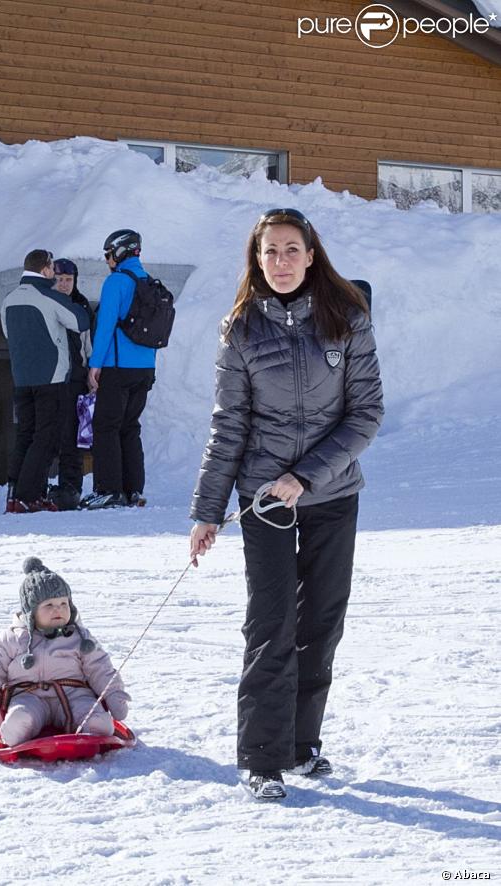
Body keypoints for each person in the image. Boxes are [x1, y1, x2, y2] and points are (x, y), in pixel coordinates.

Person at [189, 208, 384, 801]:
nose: (279, 262)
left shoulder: (347, 319)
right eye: (268, 252)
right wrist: (206, 510)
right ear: (256, 258)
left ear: (311, 254)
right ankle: (263, 758)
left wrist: (306, 475)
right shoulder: (241, 329)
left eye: (290, 250)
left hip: (332, 493)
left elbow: (366, 414)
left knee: (321, 623)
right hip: (264, 499)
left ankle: (302, 746)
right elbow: (229, 427)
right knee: (272, 623)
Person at [0, 557, 130, 745]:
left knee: (88, 709)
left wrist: (114, 695)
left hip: (73, 693)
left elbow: (101, 669)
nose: (58, 609)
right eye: (49, 605)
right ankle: (19, 728)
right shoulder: (12, 639)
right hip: (28, 695)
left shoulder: (81, 638)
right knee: (23, 713)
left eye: (63, 604)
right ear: (30, 612)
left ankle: (94, 726)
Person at [1, 249, 91, 513]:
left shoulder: (9, 300)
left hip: (21, 379)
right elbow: (80, 321)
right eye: (52, 267)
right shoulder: (48, 296)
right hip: (51, 378)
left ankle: (14, 493)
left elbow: (9, 334)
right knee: (46, 438)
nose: (55, 272)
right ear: (44, 269)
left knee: (25, 435)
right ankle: (28, 496)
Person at [82, 229, 155, 510]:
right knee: (130, 427)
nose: (107, 260)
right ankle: (133, 490)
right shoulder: (148, 283)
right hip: (145, 368)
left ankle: (109, 490)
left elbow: (105, 327)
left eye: (108, 254)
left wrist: (95, 365)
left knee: (106, 426)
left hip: (116, 365)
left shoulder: (117, 282)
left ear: (120, 252)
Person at [47, 258, 95, 511]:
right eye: (60, 279)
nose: (64, 284)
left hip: (75, 377)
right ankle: (37, 489)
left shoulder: (81, 305)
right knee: (43, 435)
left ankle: (71, 489)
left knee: (72, 437)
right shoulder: (44, 303)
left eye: (69, 280)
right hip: (47, 378)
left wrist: (90, 374)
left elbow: (88, 345)